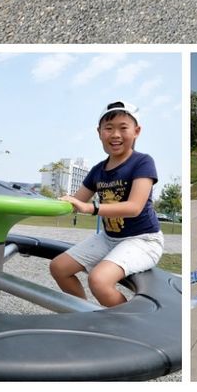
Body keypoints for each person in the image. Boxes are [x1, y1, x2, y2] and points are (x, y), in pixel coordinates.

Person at [50, 100, 164, 307]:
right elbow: (76, 200)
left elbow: (134, 207)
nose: (115, 135)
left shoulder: (142, 162)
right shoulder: (98, 170)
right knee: (59, 267)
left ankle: (127, 327)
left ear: (136, 131)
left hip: (143, 240)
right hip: (109, 238)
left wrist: (91, 208)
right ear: (99, 132)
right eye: (108, 128)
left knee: (99, 280)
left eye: (123, 128)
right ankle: (83, 314)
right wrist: (52, 204)